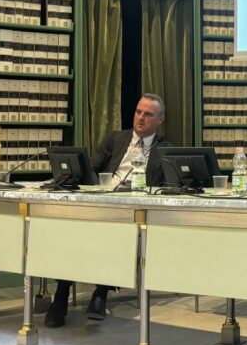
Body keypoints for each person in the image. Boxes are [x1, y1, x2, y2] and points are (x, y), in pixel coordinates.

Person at [45, 93, 171, 328]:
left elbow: (167, 186)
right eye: (138, 112)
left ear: (160, 120)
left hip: (134, 211)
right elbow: (91, 167)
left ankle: (100, 294)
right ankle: (61, 294)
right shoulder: (116, 139)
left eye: (148, 114)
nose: (140, 118)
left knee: (117, 233)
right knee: (72, 233)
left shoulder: (165, 150)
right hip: (102, 202)